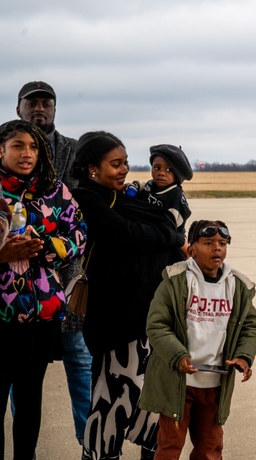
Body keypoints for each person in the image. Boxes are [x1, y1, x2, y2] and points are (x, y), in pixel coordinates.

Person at [72, 131, 186, 460]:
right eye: (115, 164)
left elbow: (162, 225)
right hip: (116, 321)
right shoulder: (87, 198)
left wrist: (167, 234)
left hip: (148, 318)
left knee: (151, 406)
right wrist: (169, 236)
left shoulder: (128, 199)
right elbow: (124, 234)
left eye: (126, 163)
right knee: (110, 408)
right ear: (93, 168)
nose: (124, 170)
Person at [0, 119, 86, 460]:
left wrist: (46, 247)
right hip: (1, 316)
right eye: (18, 146)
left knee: (29, 398)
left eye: (34, 147)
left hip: (40, 313)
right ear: (1, 150)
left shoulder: (54, 191)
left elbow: (79, 234)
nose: (27, 153)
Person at [140, 219, 256, 460]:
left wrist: (243, 356)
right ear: (191, 249)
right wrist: (178, 356)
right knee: (170, 447)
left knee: (210, 448)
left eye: (222, 243)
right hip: (179, 382)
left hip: (215, 384)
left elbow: (249, 325)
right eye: (208, 243)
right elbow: (157, 325)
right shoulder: (175, 281)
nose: (217, 248)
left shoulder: (237, 286)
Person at [15, 80, 92, 444]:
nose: (39, 109)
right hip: (16, 291)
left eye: (46, 103)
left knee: (79, 361)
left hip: (67, 281)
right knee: (21, 375)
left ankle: (89, 444)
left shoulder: (75, 152)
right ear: (19, 109)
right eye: (31, 103)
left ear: (55, 110)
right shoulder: (6, 148)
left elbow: (82, 213)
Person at [131, 144, 193, 234]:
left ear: (177, 175)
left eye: (169, 170)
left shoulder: (176, 197)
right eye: (157, 168)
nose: (161, 173)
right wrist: (134, 186)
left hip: (167, 238)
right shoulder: (151, 184)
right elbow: (142, 186)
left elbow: (170, 228)